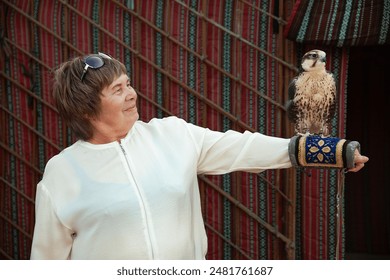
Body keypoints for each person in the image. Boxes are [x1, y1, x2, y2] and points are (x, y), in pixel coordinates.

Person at [30, 52, 368, 260]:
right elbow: (47, 262)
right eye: (117, 90)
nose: (132, 94)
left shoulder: (172, 135)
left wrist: (329, 152)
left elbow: (242, 148)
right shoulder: (62, 174)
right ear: (87, 108)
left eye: (128, 83)